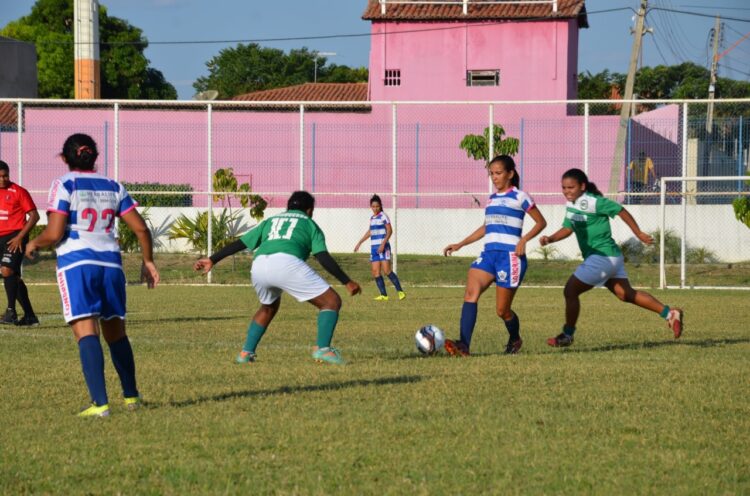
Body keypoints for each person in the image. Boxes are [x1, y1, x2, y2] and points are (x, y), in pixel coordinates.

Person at [25, 133, 159, 418]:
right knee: (116, 333)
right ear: (95, 157)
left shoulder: (64, 184)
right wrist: (148, 261)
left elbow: (55, 232)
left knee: (86, 332)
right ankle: (131, 397)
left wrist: (35, 242)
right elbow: (141, 229)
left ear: (64, 158)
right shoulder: (113, 186)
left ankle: (100, 404)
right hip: (111, 266)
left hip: (78, 264)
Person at [194, 191, 362, 365]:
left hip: (259, 265)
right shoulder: (310, 224)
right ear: (310, 210)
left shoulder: (271, 221)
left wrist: (213, 259)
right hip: (286, 262)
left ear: (288, 207)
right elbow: (322, 256)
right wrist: (346, 281)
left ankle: (245, 353)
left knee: (268, 307)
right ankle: (323, 349)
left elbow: (242, 243)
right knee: (331, 302)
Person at [539, 168, 683, 347]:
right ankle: (670, 314)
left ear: (582, 186)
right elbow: (568, 228)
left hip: (602, 257)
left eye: (571, 187)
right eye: (564, 187)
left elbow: (620, 210)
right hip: (611, 258)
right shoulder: (571, 205)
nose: (567, 191)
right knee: (626, 294)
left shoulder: (594, 202)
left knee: (570, 291)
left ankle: (567, 335)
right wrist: (550, 239)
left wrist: (638, 233)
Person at [442, 155, 547, 356]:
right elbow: (486, 227)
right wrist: (461, 244)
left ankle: (515, 339)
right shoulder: (492, 199)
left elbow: (541, 223)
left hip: (510, 258)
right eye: (491, 173)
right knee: (470, 294)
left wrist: (523, 240)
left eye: (498, 173)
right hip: (489, 255)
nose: (494, 177)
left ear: (510, 173)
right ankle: (464, 345)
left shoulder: (520, 196)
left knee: (502, 311)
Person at [0, 160, 40, 326]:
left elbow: (34, 216)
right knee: (13, 277)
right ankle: (30, 316)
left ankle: (10, 311)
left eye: (5, 175)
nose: (3, 179)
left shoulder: (18, 191)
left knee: (7, 270)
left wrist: (20, 237)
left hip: (16, 236)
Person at [353, 194, 406, 301]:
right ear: (371, 207)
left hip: (384, 247)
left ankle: (400, 291)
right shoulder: (372, 218)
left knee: (387, 271)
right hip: (374, 248)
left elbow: (390, 231)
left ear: (380, 206)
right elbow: (370, 232)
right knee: (375, 272)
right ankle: (383, 295)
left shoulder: (383, 216)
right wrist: (360, 242)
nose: (375, 208)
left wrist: (383, 244)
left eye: (377, 206)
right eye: (373, 206)